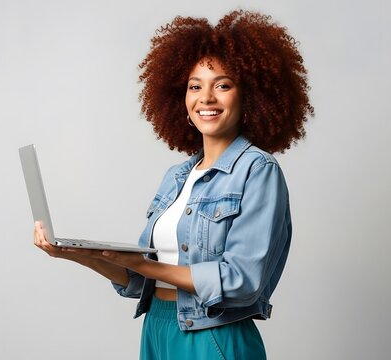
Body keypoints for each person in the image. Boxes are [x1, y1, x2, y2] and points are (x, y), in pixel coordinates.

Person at [34, 9, 313, 359]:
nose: (206, 98)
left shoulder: (258, 171)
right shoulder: (177, 177)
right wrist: (80, 255)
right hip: (157, 327)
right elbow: (138, 281)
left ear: (250, 97)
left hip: (213, 335)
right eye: (195, 86)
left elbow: (242, 280)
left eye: (222, 85)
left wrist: (142, 265)